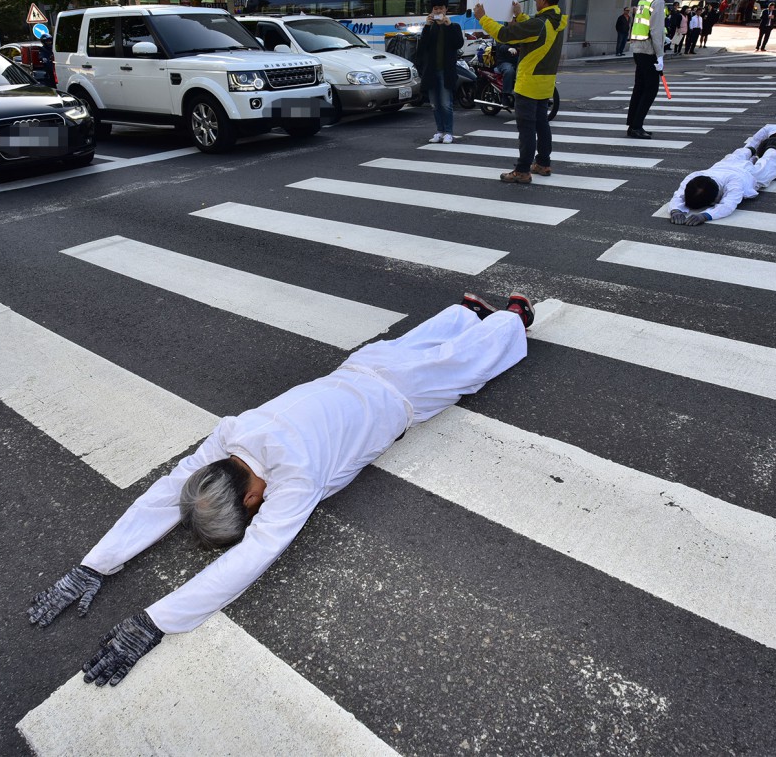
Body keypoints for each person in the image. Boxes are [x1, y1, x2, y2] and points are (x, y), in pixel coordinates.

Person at [27, 292, 535, 686]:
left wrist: (154, 622)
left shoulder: (296, 475)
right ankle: (464, 311)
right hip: (363, 366)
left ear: (251, 500)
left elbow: (252, 556)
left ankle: (512, 314)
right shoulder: (233, 434)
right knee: (413, 345)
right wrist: (92, 563)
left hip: (405, 392)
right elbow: (170, 491)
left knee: (472, 363)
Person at [473, 0, 568, 184]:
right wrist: (519, 14)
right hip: (546, 83)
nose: (536, 3)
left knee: (526, 128)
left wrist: (483, 18)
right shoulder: (556, 21)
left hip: (528, 83)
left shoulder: (539, 24)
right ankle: (543, 163)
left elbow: (505, 34)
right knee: (542, 124)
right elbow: (534, 29)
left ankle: (523, 170)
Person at [668, 144, 776, 226]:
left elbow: (728, 205)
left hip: (748, 174)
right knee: (735, 156)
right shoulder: (694, 176)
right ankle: (749, 150)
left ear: (714, 200)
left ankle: (771, 147)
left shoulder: (735, 182)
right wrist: (676, 210)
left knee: (769, 164)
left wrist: (705, 215)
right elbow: (679, 195)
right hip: (725, 165)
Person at [624, 0, 670, 141]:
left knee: (639, 87)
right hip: (649, 49)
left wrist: (663, 38)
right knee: (650, 89)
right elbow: (656, 30)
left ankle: (633, 124)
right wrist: (660, 55)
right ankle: (637, 126)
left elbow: (644, 25)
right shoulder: (658, 1)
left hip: (638, 47)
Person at [414, 0, 464, 145]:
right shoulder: (430, 27)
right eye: (435, 8)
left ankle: (449, 132)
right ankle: (439, 131)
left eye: (440, 8)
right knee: (435, 104)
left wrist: (448, 26)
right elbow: (421, 48)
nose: (438, 11)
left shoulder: (454, 26)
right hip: (431, 71)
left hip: (446, 71)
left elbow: (458, 44)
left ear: (446, 9)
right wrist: (427, 27)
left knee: (446, 104)